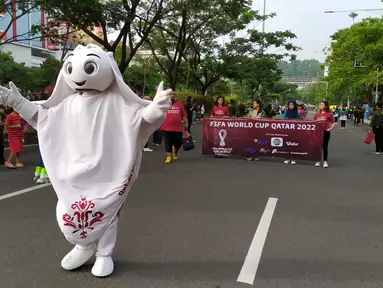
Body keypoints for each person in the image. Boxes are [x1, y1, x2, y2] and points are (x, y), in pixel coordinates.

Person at [0, 44, 171, 278]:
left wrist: (156, 108)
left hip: (108, 172)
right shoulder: (66, 104)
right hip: (74, 172)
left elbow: (139, 120)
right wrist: (17, 101)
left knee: (107, 211)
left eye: (89, 67)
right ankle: (84, 245)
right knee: (69, 211)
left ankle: (104, 253)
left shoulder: (117, 102)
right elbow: (43, 117)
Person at [161, 90, 188, 164]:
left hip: (177, 127)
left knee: (178, 142)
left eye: (173, 94)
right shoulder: (164, 104)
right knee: (168, 142)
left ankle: (175, 152)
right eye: (170, 94)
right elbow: (159, 114)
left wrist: (186, 123)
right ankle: (168, 157)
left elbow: (184, 115)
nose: (172, 95)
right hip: (166, 126)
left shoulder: (179, 104)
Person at [314, 101, 335, 168]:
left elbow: (333, 122)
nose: (320, 106)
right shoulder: (317, 114)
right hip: (318, 132)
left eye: (322, 104)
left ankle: (325, 161)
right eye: (320, 104)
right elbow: (314, 122)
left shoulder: (328, 114)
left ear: (325, 106)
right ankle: (318, 160)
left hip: (325, 132)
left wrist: (330, 128)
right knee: (318, 146)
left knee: (324, 146)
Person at [282, 100, 301, 165]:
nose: (291, 106)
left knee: (294, 143)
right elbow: (283, 119)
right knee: (287, 143)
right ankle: (287, 158)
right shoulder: (286, 112)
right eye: (290, 105)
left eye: (292, 105)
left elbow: (300, 121)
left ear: (294, 105)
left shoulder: (298, 112)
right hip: (287, 130)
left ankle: (293, 159)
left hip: (295, 130)